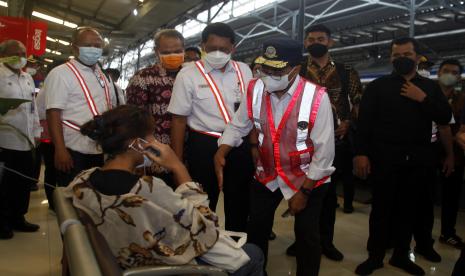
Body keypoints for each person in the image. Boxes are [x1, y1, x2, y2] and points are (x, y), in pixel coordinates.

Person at [64, 105, 264, 276]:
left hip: (120, 259)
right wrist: (178, 167)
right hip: (162, 266)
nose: (156, 141)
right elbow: (206, 227)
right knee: (254, 254)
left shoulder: (83, 180)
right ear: (138, 143)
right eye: (152, 136)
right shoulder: (147, 189)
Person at [214, 38, 335, 276]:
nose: (267, 74)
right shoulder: (255, 88)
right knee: (257, 228)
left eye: (276, 69)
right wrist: (222, 149)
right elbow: (238, 125)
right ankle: (256, 272)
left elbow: (324, 152)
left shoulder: (316, 98)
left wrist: (306, 191)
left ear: (295, 69)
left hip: (305, 175)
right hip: (267, 172)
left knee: (307, 235)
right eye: (264, 67)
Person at [353, 37, 452, 275]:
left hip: (418, 161)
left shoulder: (429, 88)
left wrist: (423, 99)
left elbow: (444, 116)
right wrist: (361, 153)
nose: (401, 59)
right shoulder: (378, 86)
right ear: (390, 58)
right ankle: (375, 256)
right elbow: (364, 123)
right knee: (381, 210)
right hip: (385, 158)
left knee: (409, 210)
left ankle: (400, 255)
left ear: (418, 58)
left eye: (407, 55)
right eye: (396, 55)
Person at [168, 22, 254, 233]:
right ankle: (203, 252)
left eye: (224, 49)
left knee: (239, 204)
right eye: (211, 48)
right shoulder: (188, 74)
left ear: (233, 48)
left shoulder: (244, 70)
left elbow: (251, 111)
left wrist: (254, 146)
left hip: (239, 144)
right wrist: (178, 163)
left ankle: (237, 250)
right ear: (202, 45)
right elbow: (178, 120)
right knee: (202, 205)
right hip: (204, 145)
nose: (217, 53)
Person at [293, 23, 363, 262]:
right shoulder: (298, 69)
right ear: (305, 43)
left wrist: (348, 123)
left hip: (335, 142)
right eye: (311, 39)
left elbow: (357, 102)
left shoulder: (346, 70)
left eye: (321, 38)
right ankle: (300, 240)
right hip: (301, 143)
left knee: (329, 196)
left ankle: (327, 242)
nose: (316, 42)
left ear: (330, 41)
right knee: (300, 192)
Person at [43, 27, 116, 187]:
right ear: (74, 47)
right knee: (72, 195)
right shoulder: (61, 73)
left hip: (98, 147)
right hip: (72, 149)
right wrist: (60, 149)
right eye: (88, 45)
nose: (94, 49)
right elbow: (53, 112)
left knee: (92, 196)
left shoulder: (101, 75)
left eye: (97, 46)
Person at [126, 29, 185, 188]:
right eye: (166, 52)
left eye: (177, 51)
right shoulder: (143, 78)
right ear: (156, 51)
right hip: (156, 155)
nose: (173, 55)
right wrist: (137, 158)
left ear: (184, 50)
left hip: (191, 152)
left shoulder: (192, 76)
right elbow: (134, 120)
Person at [0, 40, 41, 239]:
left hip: (26, 140)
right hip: (5, 140)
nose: (20, 56)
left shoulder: (27, 78)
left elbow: (32, 107)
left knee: (23, 182)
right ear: (3, 55)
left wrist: (36, 132)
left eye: (23, 53)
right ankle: (3, 221)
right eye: (15, 53)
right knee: (5, 184)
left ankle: (18, 217)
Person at [436, 59, 465, 249]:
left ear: (459, 77)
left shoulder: (461, 100)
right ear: (438, 73)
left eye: (454, 72)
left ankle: (448, 232)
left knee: (451, 196)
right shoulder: (426, 94)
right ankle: (415, 235)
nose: (449, 74)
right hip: (427, 153)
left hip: (454, 156)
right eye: (446, 71)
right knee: (418, 195)